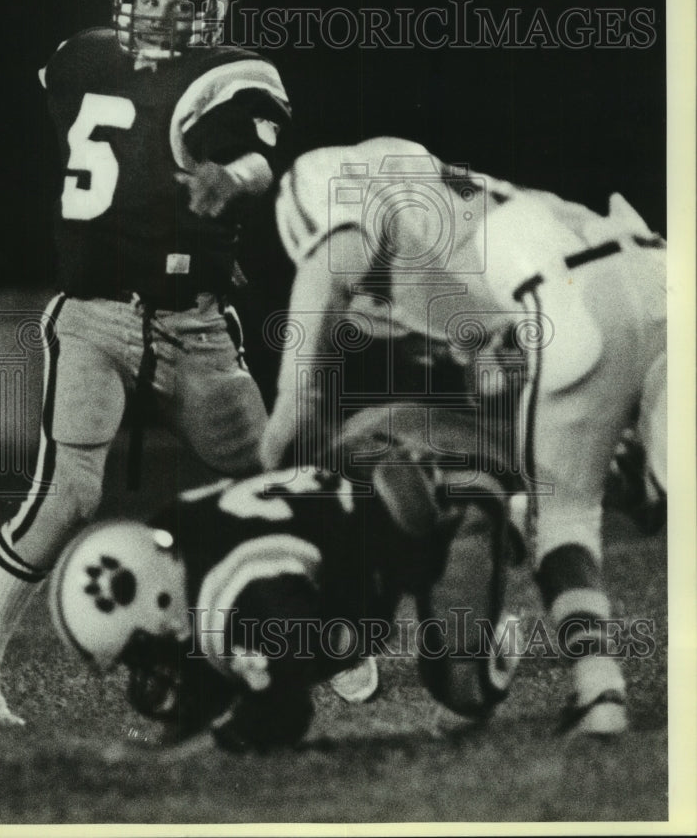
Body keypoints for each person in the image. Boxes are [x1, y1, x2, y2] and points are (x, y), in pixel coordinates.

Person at [0, 0, 291, 727]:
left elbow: (259, 153)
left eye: (181, 8)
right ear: (124, 5)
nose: (162, 21)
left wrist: (229, 179)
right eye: (149, 4)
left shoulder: (213, 75)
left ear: (213, 13)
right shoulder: (88, 57)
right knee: (66, 493)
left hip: (196, 326)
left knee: (267, 484)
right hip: (95, 319)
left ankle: (322, 642)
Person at [261, 137, 666, 735]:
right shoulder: (458, 216)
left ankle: (599, 692)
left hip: (569, 304)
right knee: (641, 494)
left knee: (564, 518)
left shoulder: (330, 192)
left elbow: (306, 373)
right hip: (662, 274)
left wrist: (256, 484)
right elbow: (505, 366)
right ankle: (633, 479)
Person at [48, 406, 523, 752]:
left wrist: (215, 741)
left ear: (157, 597)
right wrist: (160, 740)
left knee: (463, 694)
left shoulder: (242, 587)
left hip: (438, 481)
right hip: (370, 444)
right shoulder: (181, 541)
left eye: (140, 652)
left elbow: (284, 708)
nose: (148, 669)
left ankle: (522, 525)